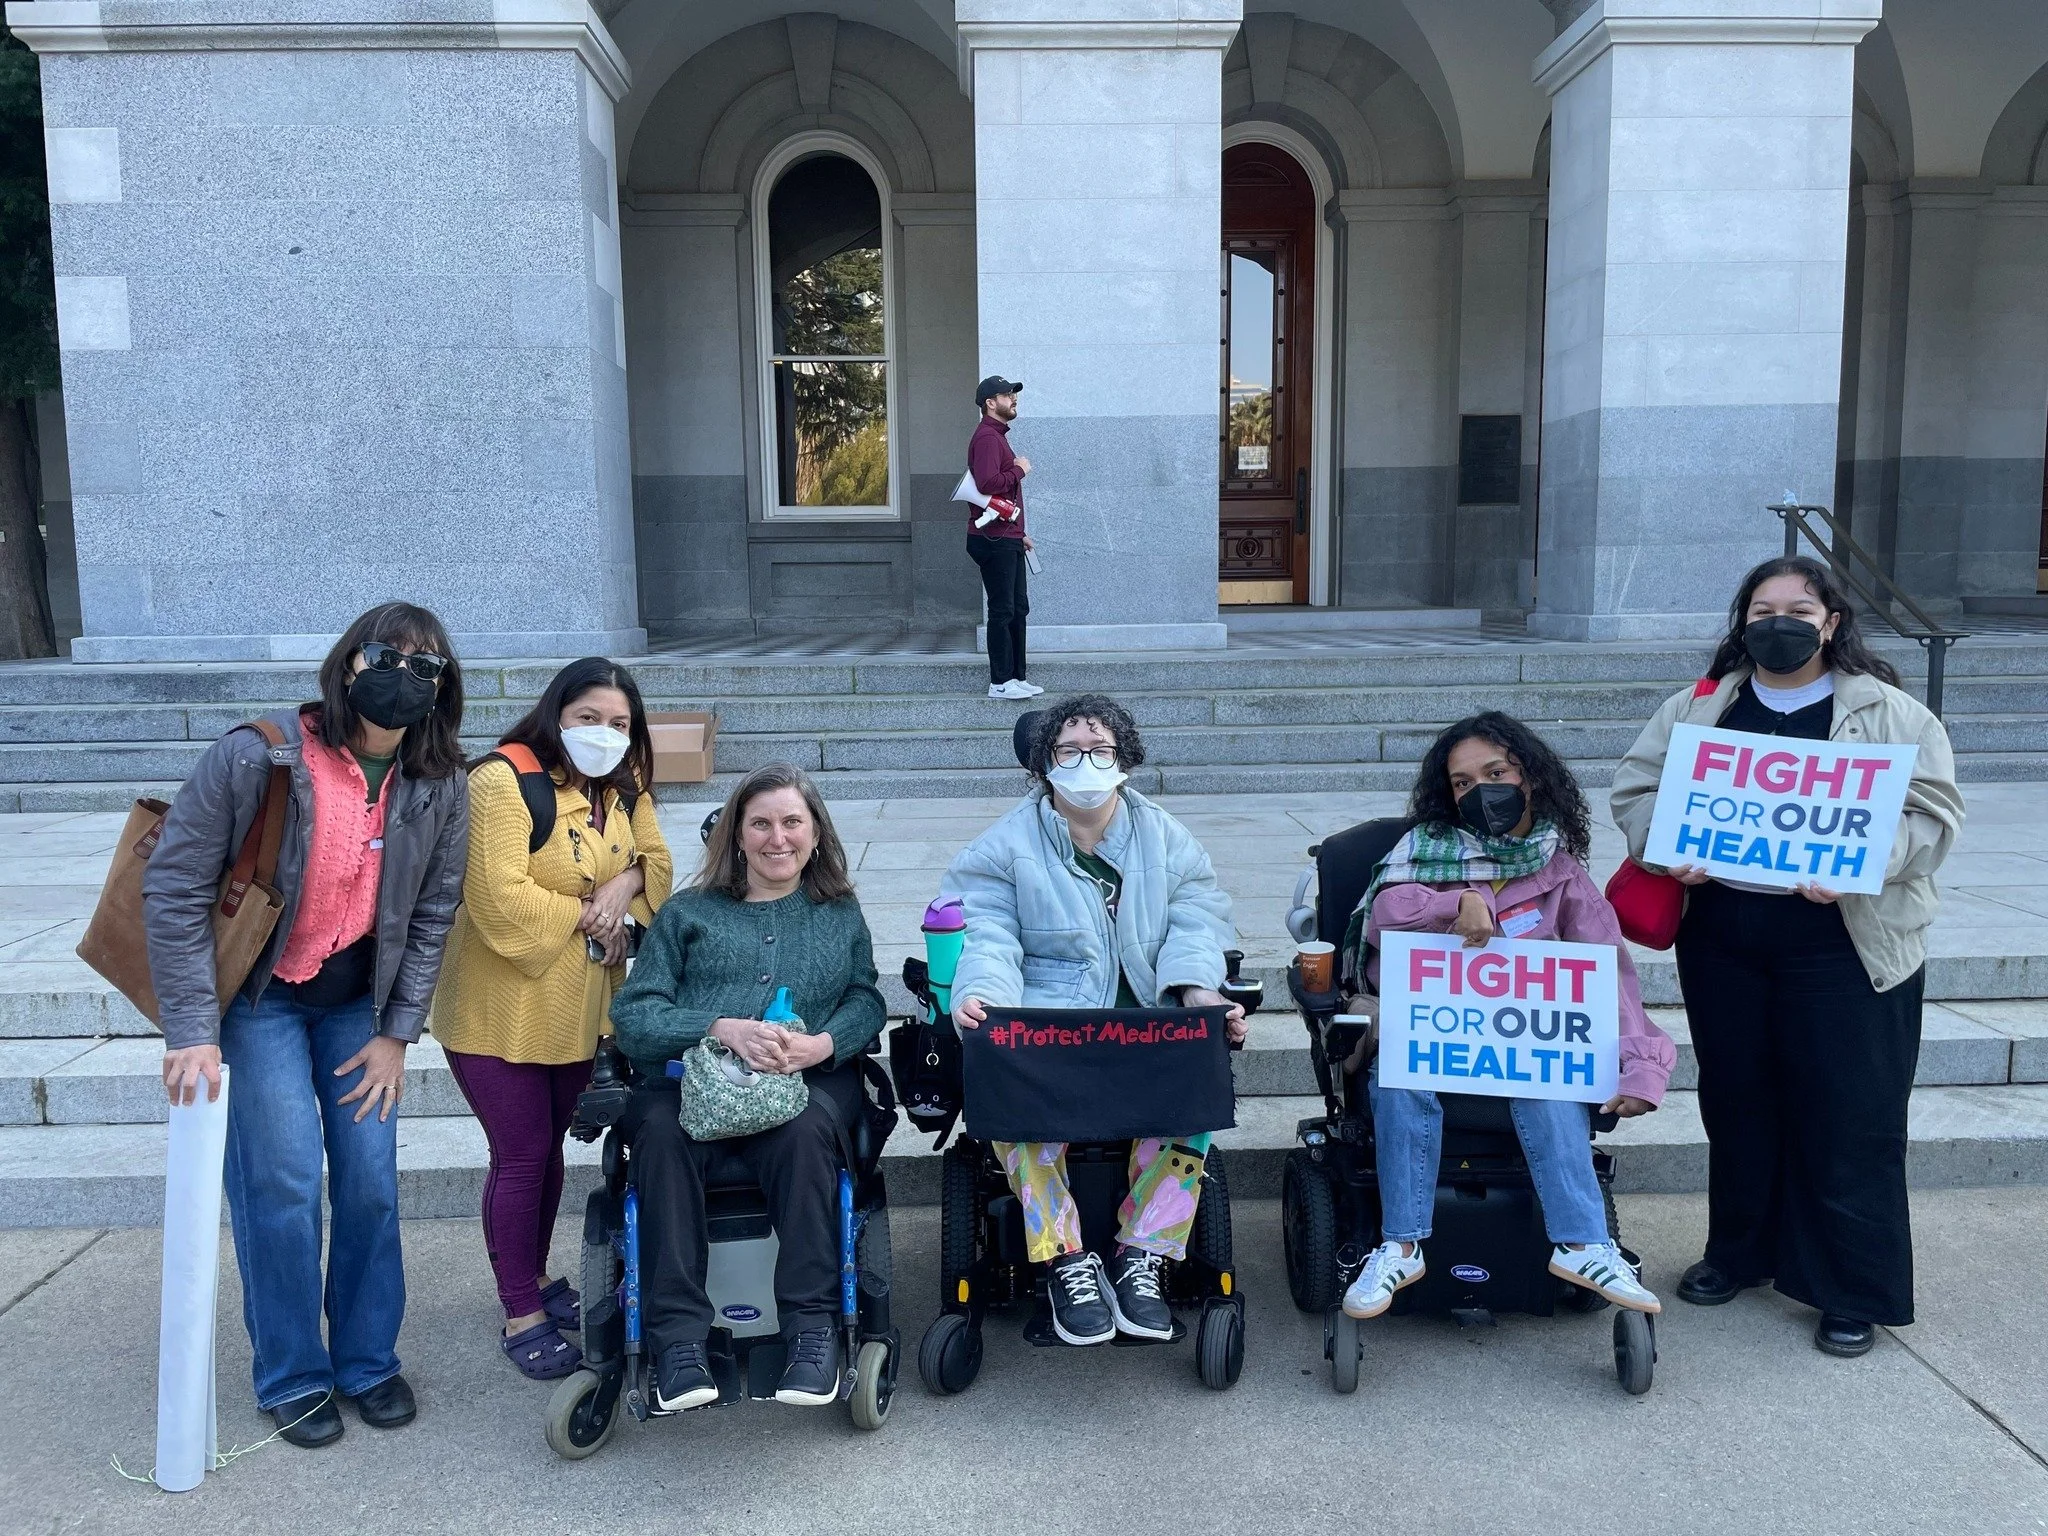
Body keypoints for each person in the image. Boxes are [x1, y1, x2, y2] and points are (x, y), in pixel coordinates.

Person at [1610, 555, 1964, 1358]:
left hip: (1844, 946)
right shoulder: (1700, 707)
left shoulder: (1893, 714)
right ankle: (1740, 1251)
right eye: (1763, 609)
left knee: (1851, 1115)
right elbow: (1635, 790)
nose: (1780, 623)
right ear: (1742, 624)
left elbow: (1935, 820)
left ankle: (1852, 1286)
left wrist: (1858, 863)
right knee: (1738, 1099)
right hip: (1727, 939)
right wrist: (1665, 849)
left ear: (1831, 622)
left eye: (1799, 609)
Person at [147, 602, 470, 1447]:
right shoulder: (261, 756)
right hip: (261, 1002)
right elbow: (176, 886)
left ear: (442, 690)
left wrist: (400, 1031)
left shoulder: (439, 783)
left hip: (359, 1007)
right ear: (347, 666)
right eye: (384, 658)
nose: (403, 678)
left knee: (368, 1180)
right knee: (282, 1182)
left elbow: (434, 913)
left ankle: (366, 1360)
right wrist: (191, 1028)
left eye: (425, 667)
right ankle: (292, 1372)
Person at [1343, 712, 1673, 1322]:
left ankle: (1584, 1245)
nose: (1479, 790)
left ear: (1531, 778)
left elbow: (1611, 980)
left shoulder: (1562, 875)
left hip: (1524, 1045)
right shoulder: (1422, 852)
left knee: (1550, 1086)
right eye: (1463, 782)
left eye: (1495, 773)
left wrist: (1640, 1068)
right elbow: (1382, 921)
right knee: (1398, 1075)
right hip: (1431, 1035)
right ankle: (1401, 1245)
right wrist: (1457, 901)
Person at [942, 694, 1246, 1346]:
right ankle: (1064, 1260)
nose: (1086, 762)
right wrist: (985, 996)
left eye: (1099, 749)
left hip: (1145, 1023)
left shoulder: (1165, 835)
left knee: (1194, 1092)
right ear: (1044, 764)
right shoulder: (1004, 846)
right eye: (1070, 750)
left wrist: (1197, 991)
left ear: (1124, 759)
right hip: (1055, 1028)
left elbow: (1197, 916)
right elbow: (988, 933)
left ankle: (1144, 1257)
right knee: (1012, 1108)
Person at [607, 763, 885, 1412]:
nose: (777, 837)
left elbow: (865, 1001)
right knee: (656, 1133)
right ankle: (677, 1344)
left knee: (810, 1131)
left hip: (797, 1089)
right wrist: (720, 1026)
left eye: (792, 822)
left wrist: (822, 1044)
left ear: (815, 834)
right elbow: (635, 1017)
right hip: (689, 1087)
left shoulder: (837, 915)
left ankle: (812, 1334)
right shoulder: (686, 915)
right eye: (760, 823)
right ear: (736, 834)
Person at [428, 658, 674, 1380]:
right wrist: (590, 915)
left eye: (620, 724)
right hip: (498, 1012)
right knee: (523, 1153)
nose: (605, 734)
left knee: (550, 1153)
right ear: (556, 713)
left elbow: (657, 867)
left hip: (582, 1012)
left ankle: (534, 1278)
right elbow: (498, 897)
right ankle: (520, 1311)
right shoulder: (500, 781)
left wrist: (623, 883)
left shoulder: (625, 786)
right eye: (590, 719)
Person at [967, 374, 1043, 702]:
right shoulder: (987, 437)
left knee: (1018, 608)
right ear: (990, 403)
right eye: (1006, 394)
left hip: (1006, 536)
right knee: (1002, 610)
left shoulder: (997, 437)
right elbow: (987, 484)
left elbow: (999, 492)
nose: (1013, 398)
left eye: (1013, 394)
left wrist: (1019, 532)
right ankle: (1000, 682)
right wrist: (1020, 470)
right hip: (993, 539)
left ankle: (1016, 676)